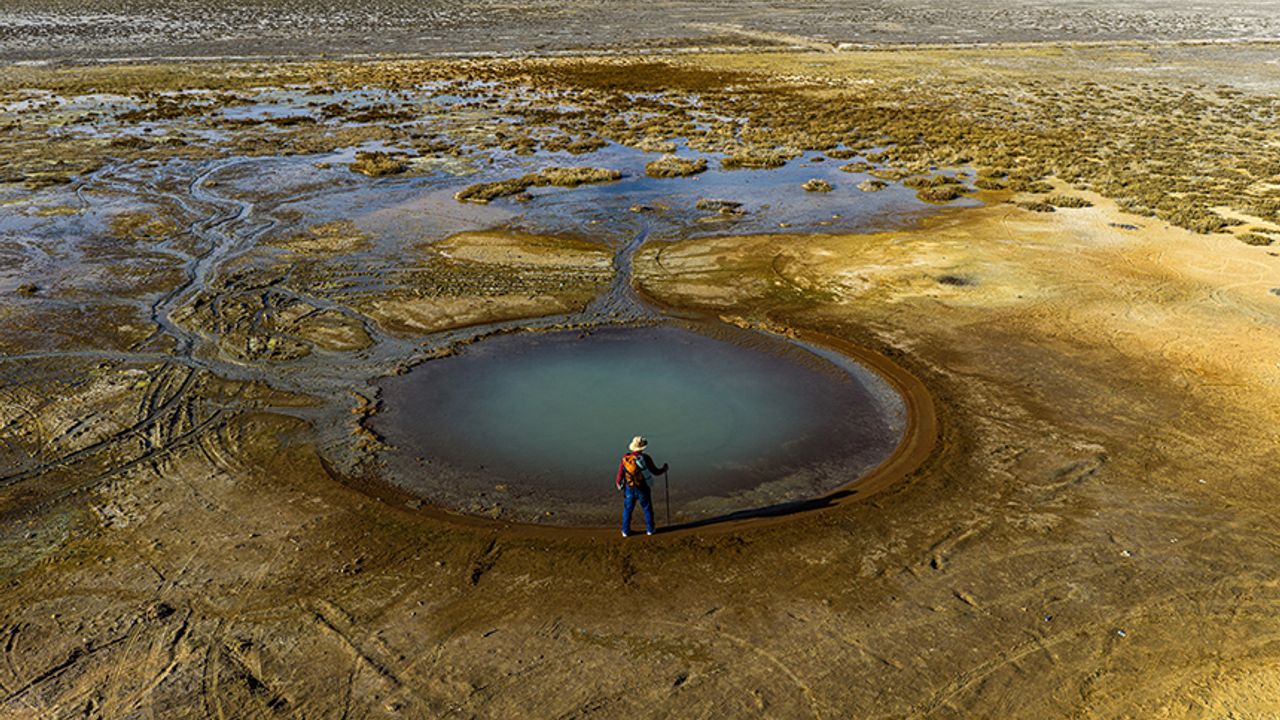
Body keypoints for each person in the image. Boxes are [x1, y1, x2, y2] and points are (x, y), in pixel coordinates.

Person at [616, 435, 668, 537]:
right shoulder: (646, 458)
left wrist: (618, 483)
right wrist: (664, 469)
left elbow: (620, 474)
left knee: (627, 510)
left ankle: (625, 531)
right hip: (642, 488)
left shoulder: (625, 458)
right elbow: (655, 471)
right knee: (647, 509)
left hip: (629, 488)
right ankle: (650, 530)